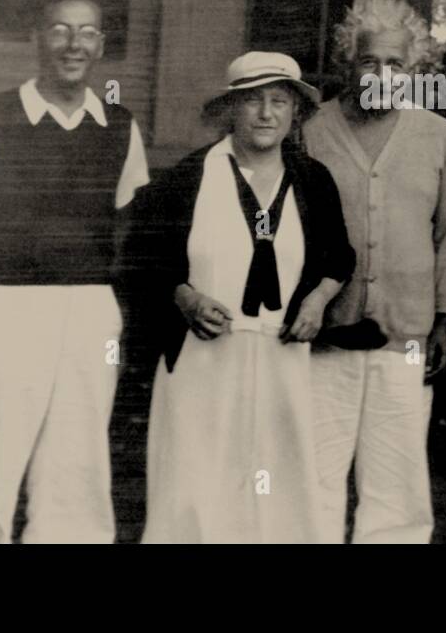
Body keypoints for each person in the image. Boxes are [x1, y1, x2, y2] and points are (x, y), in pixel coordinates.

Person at [0, 0, 150, 543]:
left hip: (88, 310)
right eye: (61, 31)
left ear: (100, 46)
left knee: (77, 463)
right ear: (36, 40)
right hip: (5, 305)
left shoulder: (119, 126)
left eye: (87, 33)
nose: (74, 44)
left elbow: (125, 226)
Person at [126, 52, 354, 543]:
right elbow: (144, 256)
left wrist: (316, 301)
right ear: (231, 109)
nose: (266, 114)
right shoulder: (189, 177)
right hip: (202, 356)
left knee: (279, 484)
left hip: (283, 354)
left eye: (278, 101)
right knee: (194, 480)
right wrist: (185, 297)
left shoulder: (313, 180)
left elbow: (340, 259)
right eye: (253, 101)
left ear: (297, 112)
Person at [303, 0, 446, 543]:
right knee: (316, 474)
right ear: (349, 61)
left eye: (396, 63)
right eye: (369, 60)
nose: (382, 74)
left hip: (407, 333)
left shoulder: (438, 136)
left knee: (396, 483)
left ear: (415, 69)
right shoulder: (310, 131)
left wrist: (444, 317)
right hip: (326, 335)